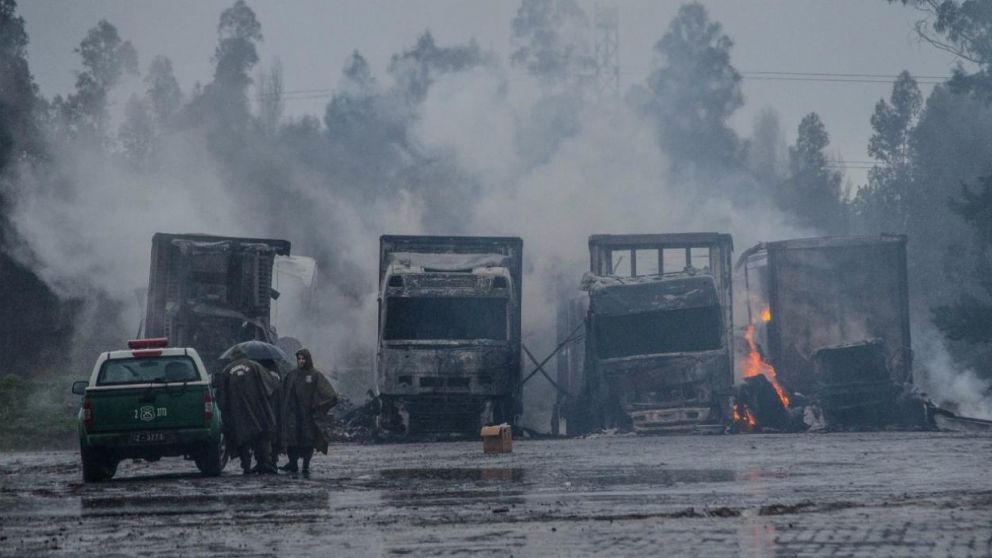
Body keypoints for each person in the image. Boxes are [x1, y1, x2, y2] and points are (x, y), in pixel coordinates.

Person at [215, 348, 280, 475]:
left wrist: (224, 410)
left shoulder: (227, 370)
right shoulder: (255, 366)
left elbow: (222, 396)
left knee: (242, 438)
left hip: (237, 412)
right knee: (260, 436)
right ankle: (262, 463)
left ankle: (246, 466)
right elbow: (271, 384)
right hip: (257, 408)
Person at [279, 348, 338, 474]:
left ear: (308, 359)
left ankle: (306, 465)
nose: (301, 361)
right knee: (292, 439)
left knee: (308, 440)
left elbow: (329, 394)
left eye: (303, 359)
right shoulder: (292, 374)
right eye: (299, 359)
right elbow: (283, 392)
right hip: (293, 414)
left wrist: (318, 406)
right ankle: (293, 464)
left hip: (308, 414)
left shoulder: (315, 375)